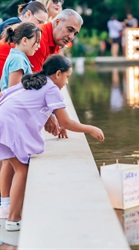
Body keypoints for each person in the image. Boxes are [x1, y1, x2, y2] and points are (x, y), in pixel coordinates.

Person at [0, 54, 105, 231]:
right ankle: (14, 218)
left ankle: (7, 210)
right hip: (9, 126)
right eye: (67, 77)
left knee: (13, 165)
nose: (67, 82)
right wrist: (91, 129)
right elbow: (67, 122)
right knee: (22, 170)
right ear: (58, 73)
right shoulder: (51, 89)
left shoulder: (34, 81)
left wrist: (52, 118)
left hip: (3, 121)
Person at [0, 22, 42, 220]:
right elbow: (13, 92)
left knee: (8, 162)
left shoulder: (16, 56)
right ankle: (10, 211)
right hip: (11, 120)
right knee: (17, 167)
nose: (39, 46)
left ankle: (6, 205)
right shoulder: (18, 60)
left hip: (7, 118)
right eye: (36, 42)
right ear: (24, 40)